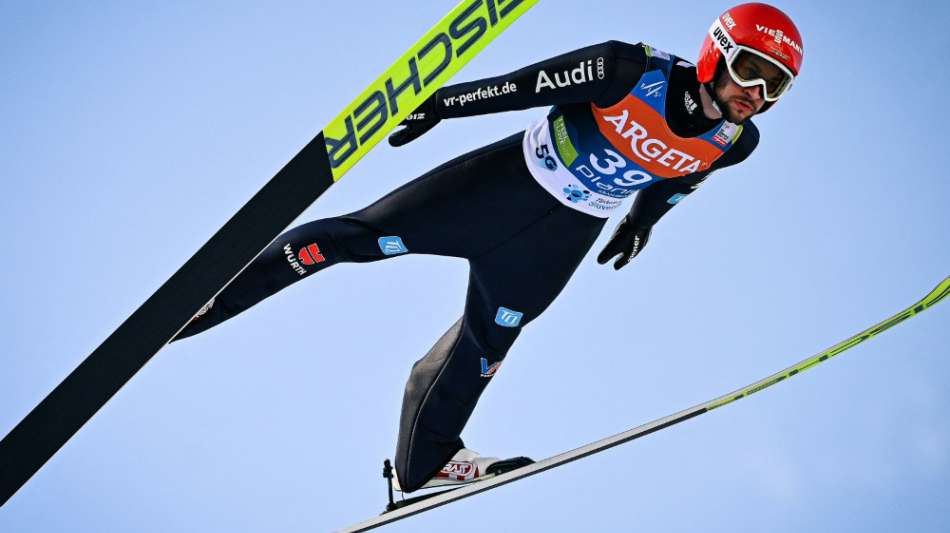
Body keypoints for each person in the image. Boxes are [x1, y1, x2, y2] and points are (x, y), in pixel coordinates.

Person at [174, 3, 804, 493]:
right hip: (498, 189)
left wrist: (643, 222)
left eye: (776, 85)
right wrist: (440, 105)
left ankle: (428, 462)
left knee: (489, 342)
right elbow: (521, 86)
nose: (759, 93)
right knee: (354, 239)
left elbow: (681, 178)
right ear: (716, 54)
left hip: (559, 239)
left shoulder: (735, 142)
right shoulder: (628, 69)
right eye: (751, 69)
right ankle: (207, 303)